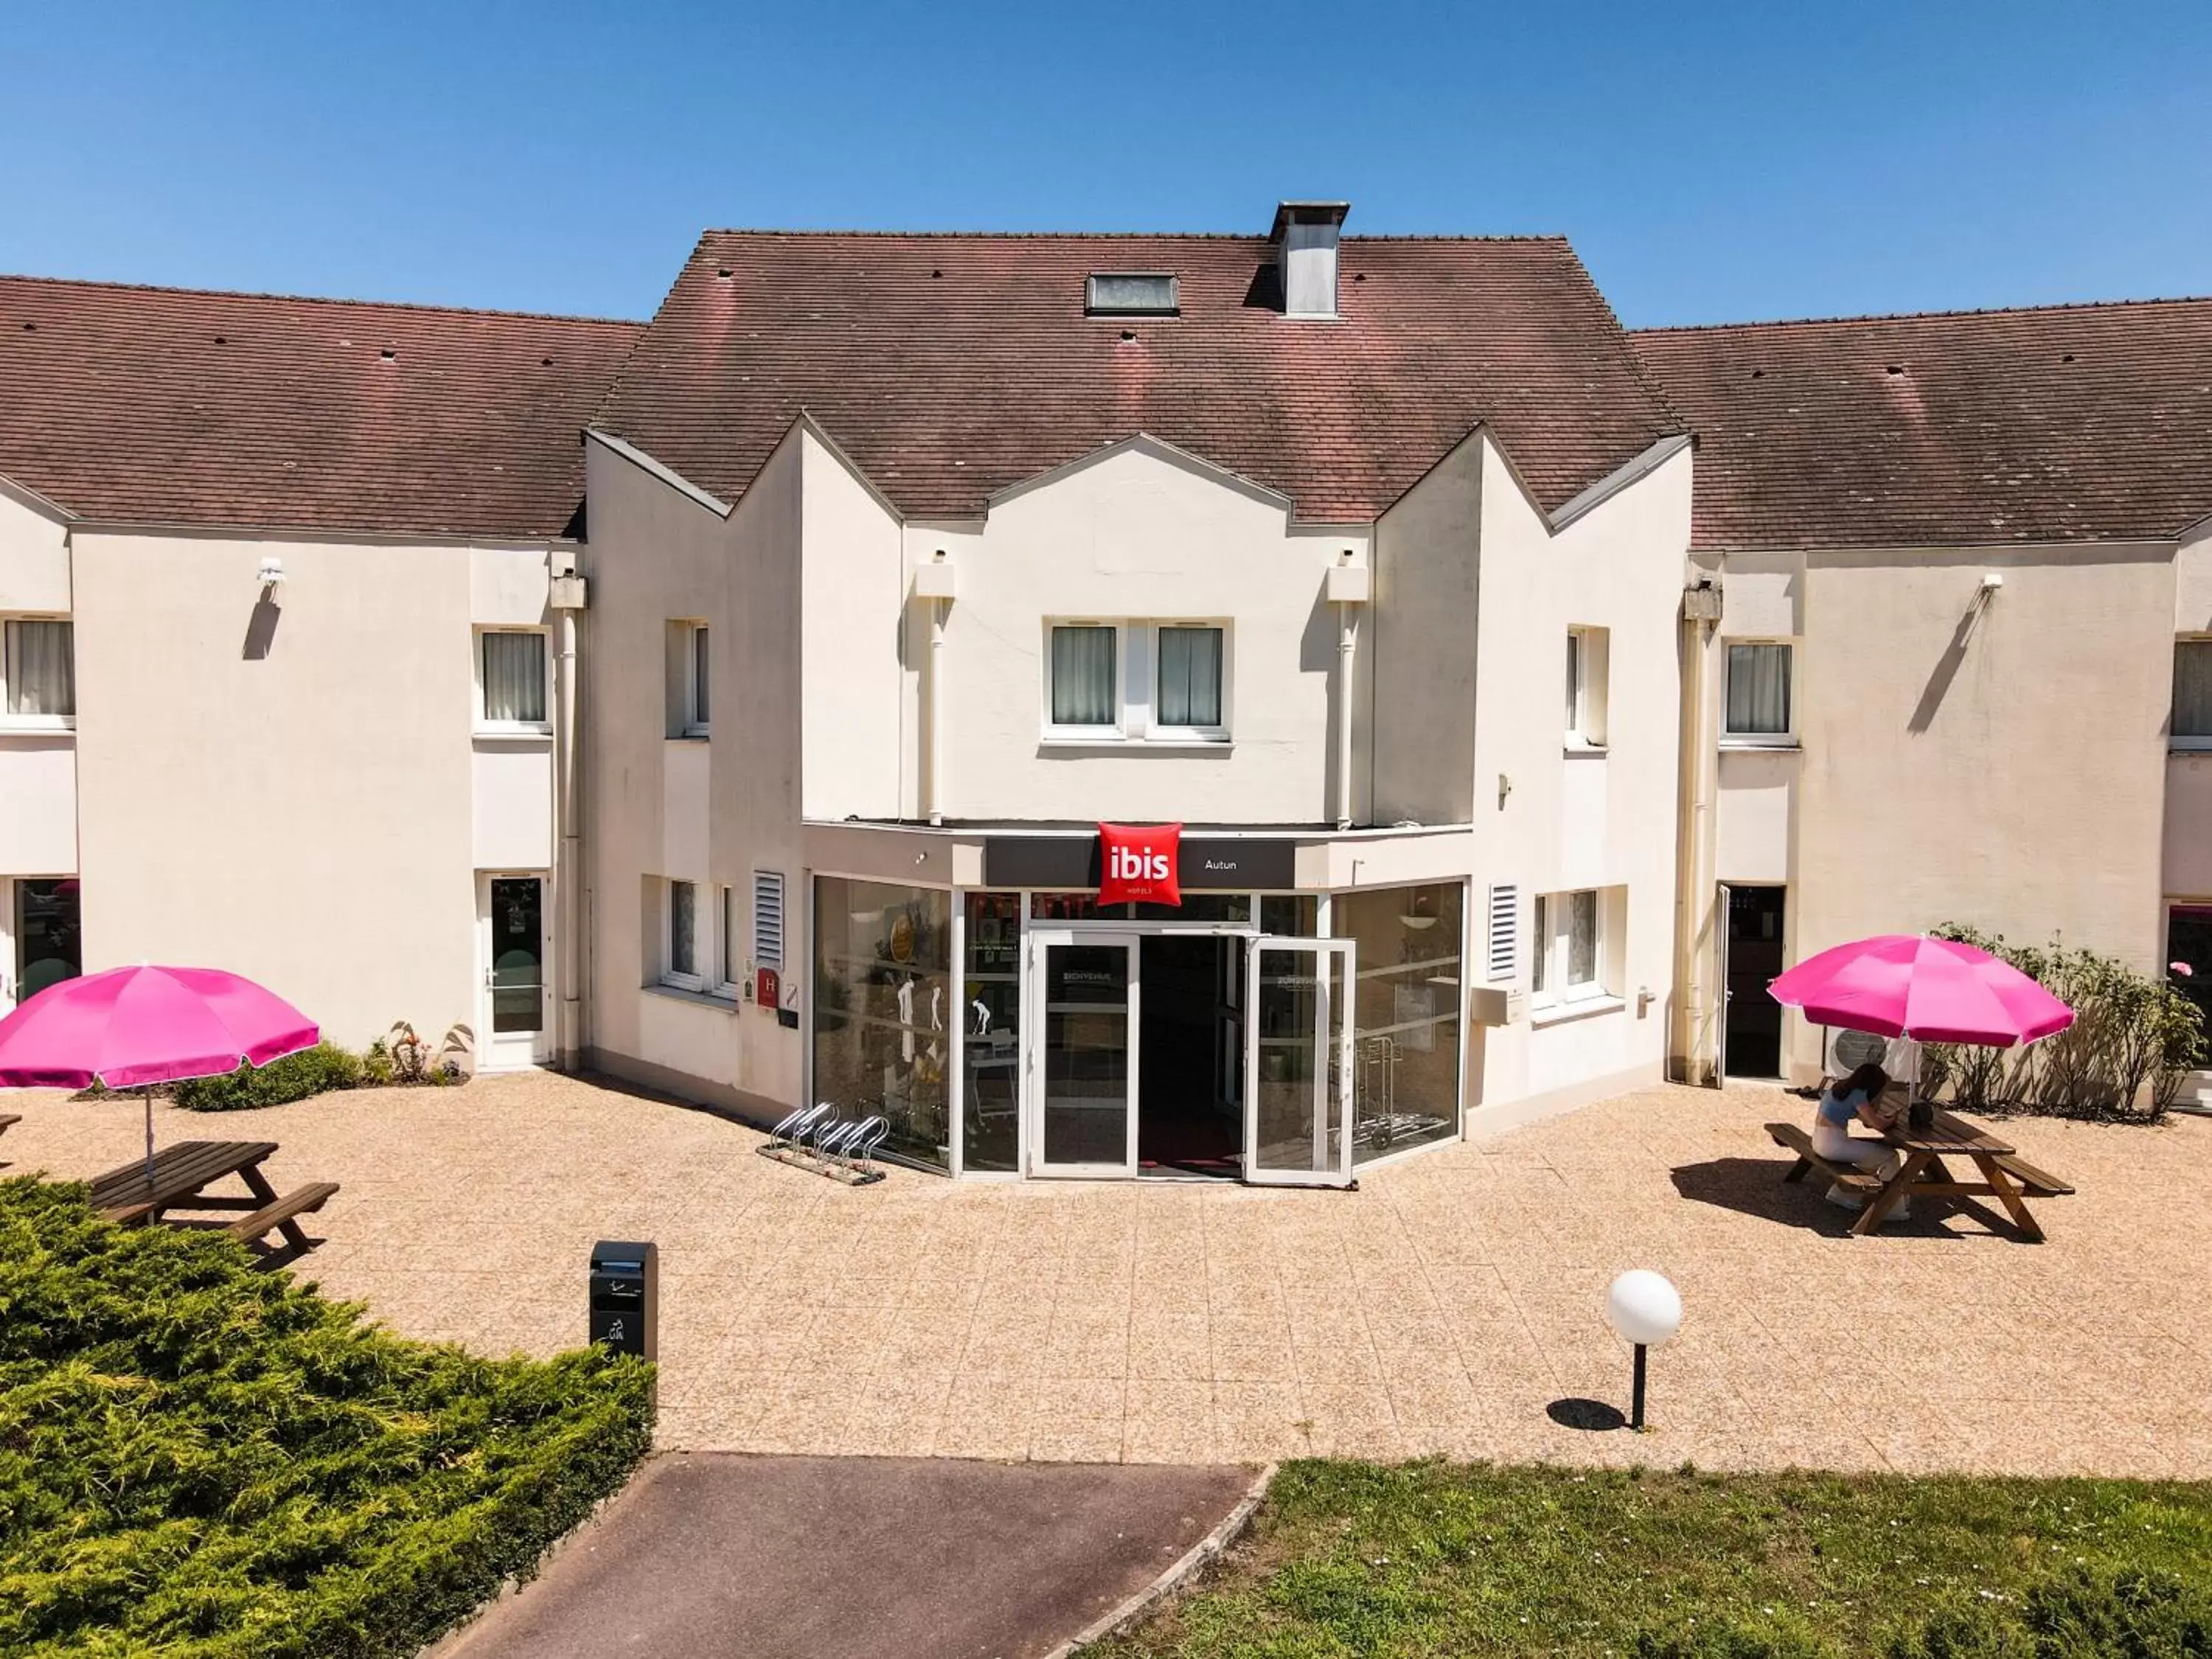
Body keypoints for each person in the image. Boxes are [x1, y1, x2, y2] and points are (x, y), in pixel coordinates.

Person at [1811, 1060, 1909, 1220]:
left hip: (1819, 1142)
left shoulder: (1840, 1088)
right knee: (1891, 1156)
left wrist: (1878, 1112)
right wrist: (1892, 1118)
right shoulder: (1858, 1094)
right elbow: (1876, 1124)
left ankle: (1844, 1195)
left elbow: (1866, 1121)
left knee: (1871, 1157)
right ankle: (1891, 1208)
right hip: (1835, 1145)